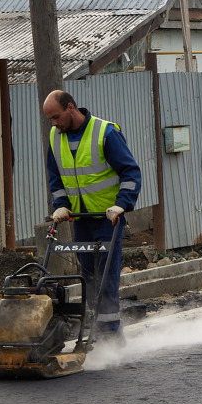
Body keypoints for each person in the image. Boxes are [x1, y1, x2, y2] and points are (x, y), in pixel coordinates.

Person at [43, 90, 142, 342]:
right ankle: (96, 326)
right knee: (87, 273)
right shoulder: (56, 138)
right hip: (80, 218)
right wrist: (61, 205)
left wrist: (122, 205)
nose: (53, 123)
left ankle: (109, 333)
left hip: (108, 218)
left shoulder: (105, 133)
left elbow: (130, 172)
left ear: (71, 108)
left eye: (56, 117)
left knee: (106, 274)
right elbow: (56, 179)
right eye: (50, 119)